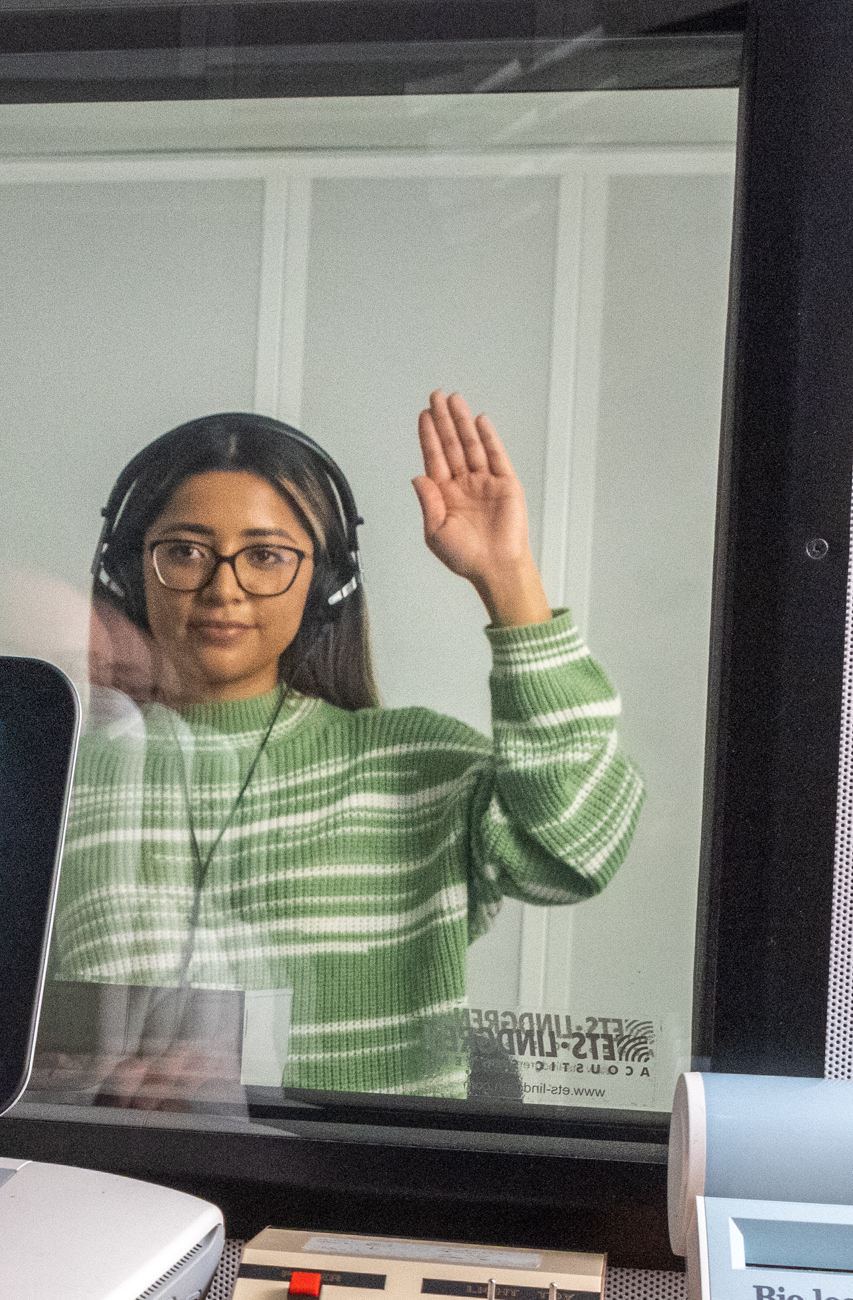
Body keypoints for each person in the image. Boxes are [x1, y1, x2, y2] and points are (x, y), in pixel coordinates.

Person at [46, 403, 642, 1102]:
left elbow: (581, 848)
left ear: (327, 586)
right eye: (185, 550)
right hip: (123, 1189)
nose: (223, 587)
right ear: (127, 571)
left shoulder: (414, 765)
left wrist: (508, 578)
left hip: (359, 1196)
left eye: (266, 555)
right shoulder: (59, 777)